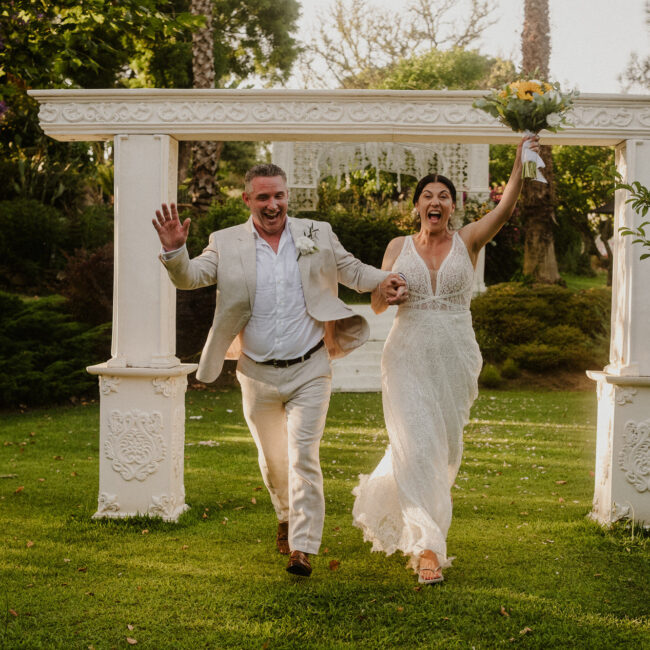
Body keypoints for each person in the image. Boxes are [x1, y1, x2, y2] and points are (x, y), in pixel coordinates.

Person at [152, 163, 406, 577]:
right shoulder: (225, 242)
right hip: (256, 374)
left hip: (310, 367)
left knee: (303, 455)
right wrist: (175, 251)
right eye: (264, 197)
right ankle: (286, 516)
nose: (273, 205)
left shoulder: (315, 233)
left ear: (287, 196)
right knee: (273, 461)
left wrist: (386, 278)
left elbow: (353, 270)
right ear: (247, 199)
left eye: (279, 196)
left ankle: (302, 547)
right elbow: (190, 277)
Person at [352, 135, 540, 585]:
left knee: (443, 452)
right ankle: (428, 548)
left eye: (443, 197)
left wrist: (519, 162)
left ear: (452, 207)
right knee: (417, 447)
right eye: (427, 196)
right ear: (417, 205)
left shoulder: (468, 240)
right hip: (406, 357)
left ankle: (416, 518)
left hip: (456, 358)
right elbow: (377, 303)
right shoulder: (397, 246)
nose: (434, 202)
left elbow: (505, 208)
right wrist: (388, 293)